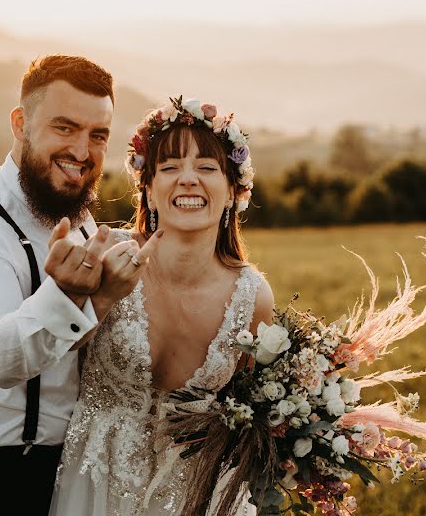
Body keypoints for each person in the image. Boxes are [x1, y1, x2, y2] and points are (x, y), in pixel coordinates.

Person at [0, 55, 157, 515]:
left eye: (97, 135)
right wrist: (68, 295)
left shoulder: (73, 211)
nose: (82, 152)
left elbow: (73, 347)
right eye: (65, 128)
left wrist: (100, 299)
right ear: (20, 124)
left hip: (60, 471)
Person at [50, 97, 275, 515]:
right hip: (97, 488)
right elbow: (52, 356)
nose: (187, 180)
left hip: (198, 497)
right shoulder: (105, 256)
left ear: (233, 193)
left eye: (207, 168)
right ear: (149, 191)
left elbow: (254, 418)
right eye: (170, 168)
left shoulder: (253, 297)